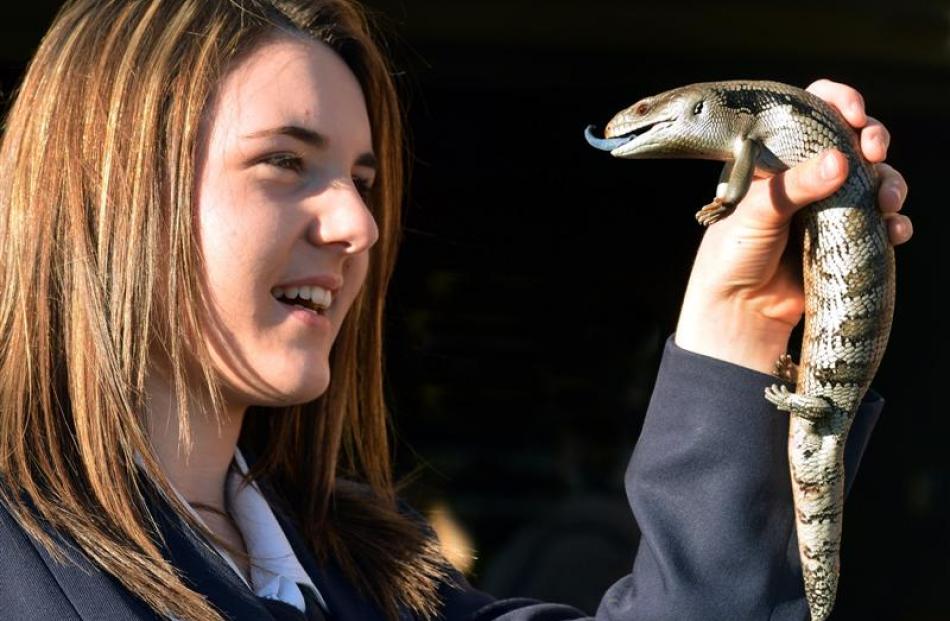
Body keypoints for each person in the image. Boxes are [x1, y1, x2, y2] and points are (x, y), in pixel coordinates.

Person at [0, 1, 911, 620]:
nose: (360, 222)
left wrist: (741, 328)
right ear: (108, 189)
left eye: (363, 179)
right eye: (285, 161)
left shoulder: (376, 578)